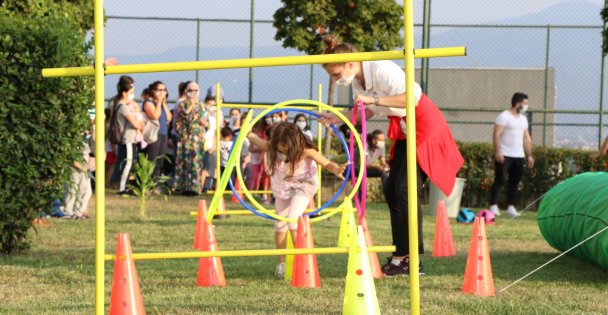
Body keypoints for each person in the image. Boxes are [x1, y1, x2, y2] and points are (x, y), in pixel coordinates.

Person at [319, 35, 464, 276]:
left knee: (403, 191)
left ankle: (412, 259)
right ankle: (400, 257)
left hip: (424, 128)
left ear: (350, 63)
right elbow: (365, 112)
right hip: (405, 132)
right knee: (392, 190)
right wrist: (338, 116)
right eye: (332, 76)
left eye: (336, 74)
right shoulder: (358, 82)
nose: (336, 80)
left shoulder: (381, 67)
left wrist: (372, 99)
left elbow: (412, 98)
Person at [246, 122, 347, 278]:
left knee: (293, 218)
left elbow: (327, 163)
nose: (283, 149)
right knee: (280, 223)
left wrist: (337, 169)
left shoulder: (306, 150)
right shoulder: (274, 147)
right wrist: (249, 134)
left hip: (304, 185)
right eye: (279, 146)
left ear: (295, 142)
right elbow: (259, 142)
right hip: (283, 186)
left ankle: (303, 260)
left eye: (285, 146)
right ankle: (281, 263)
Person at [489, 92, 534, 218]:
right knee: (500, 180)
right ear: (517, 103)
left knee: (515, 182)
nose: (526, 106)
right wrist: (498, 151)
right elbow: (496, 134)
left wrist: (529, 154)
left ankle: (510, 207)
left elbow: (526, 137)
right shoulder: (504, 116)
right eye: (525, 103)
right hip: (504, 154)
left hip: (519, 156)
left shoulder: (523, 119)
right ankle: (493, 205)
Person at [114, 76, 144, 195]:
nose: (133, 95)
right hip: (127, 138)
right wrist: (139, 122)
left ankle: (126, 186)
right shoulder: (123, 107)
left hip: (131, 138)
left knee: (130, 163)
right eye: (131, 92)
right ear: (124, 93)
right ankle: (122, 188)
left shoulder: (127, 106)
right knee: (127, 163)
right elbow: (136, 124)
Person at [142, 81, 172, 181]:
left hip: (163, 134)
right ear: (154, 91)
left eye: (164, 90)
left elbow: (169, 118)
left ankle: (155, 183)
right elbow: (155, 116)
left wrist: (164, 104)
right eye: (160, 90)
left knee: (160, 161)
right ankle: (148, 182)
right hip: (154, 135)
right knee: (152, 160)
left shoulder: (162, 105)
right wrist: (159, 102)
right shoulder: (148, 103)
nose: (162, 92)